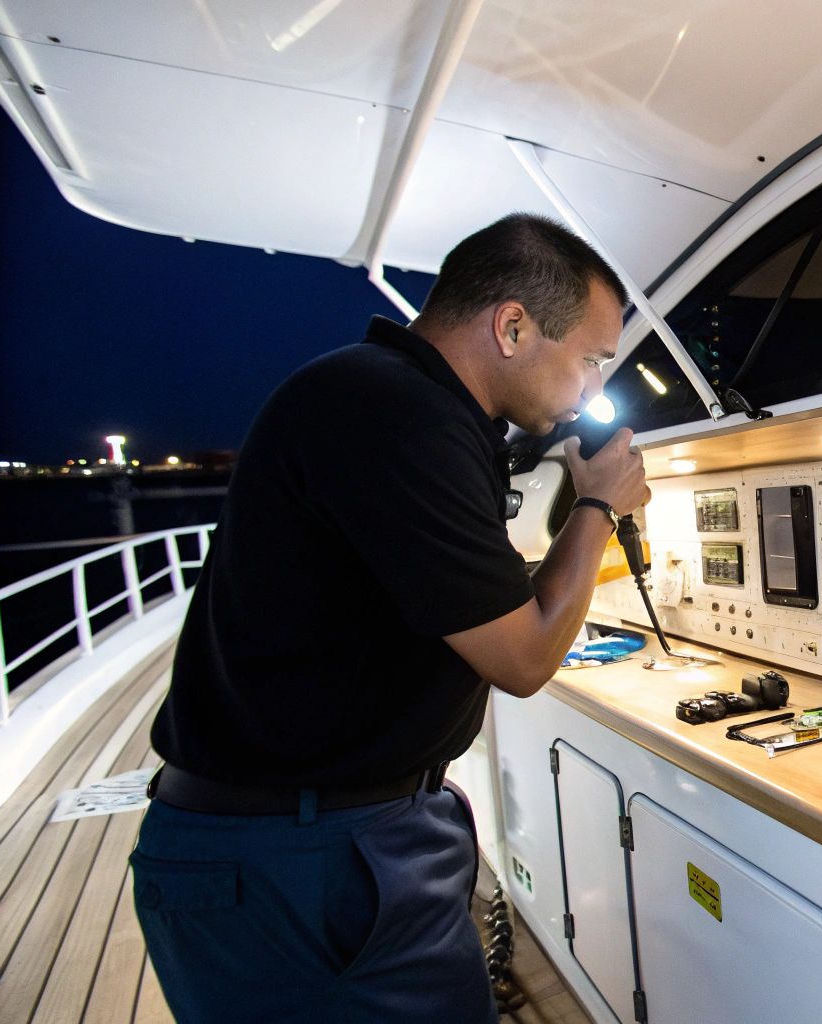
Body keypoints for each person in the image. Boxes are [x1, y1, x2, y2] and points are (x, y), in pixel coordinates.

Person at [133, 213, 650, 1022]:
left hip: (328, 836)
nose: (589, 390)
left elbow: (472, 597)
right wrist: (598, 506)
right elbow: (523, 659)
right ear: (513, 326)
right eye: (589, 360)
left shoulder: (386, 398)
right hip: (302, 860)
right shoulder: (403, 417)